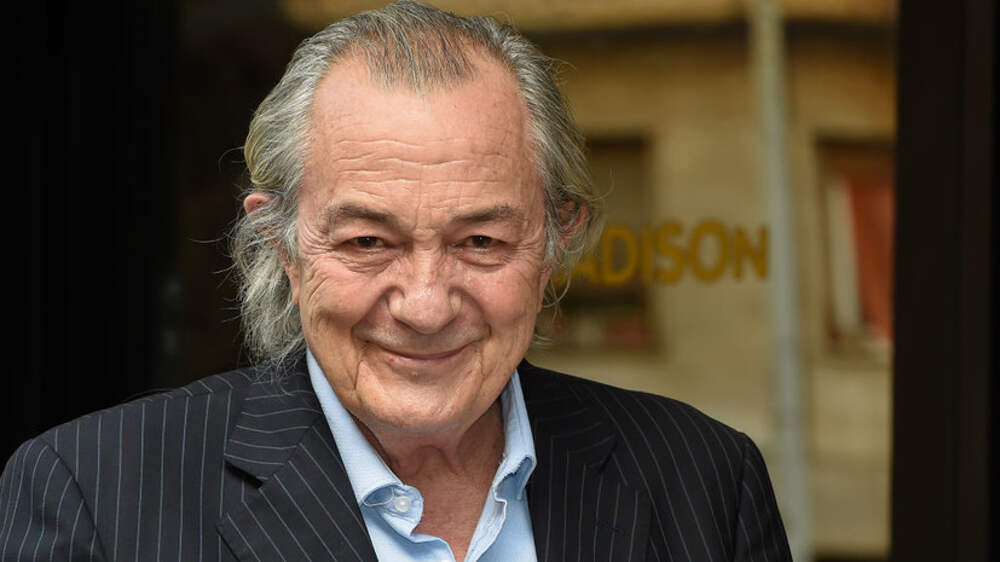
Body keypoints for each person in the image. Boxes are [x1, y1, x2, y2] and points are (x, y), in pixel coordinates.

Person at [0, 2, 792, 560]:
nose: (424, 305)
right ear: (284, 247)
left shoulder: (703, 483)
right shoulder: (96, 494)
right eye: (368, 242)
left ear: (554, 243)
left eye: (480, 241)